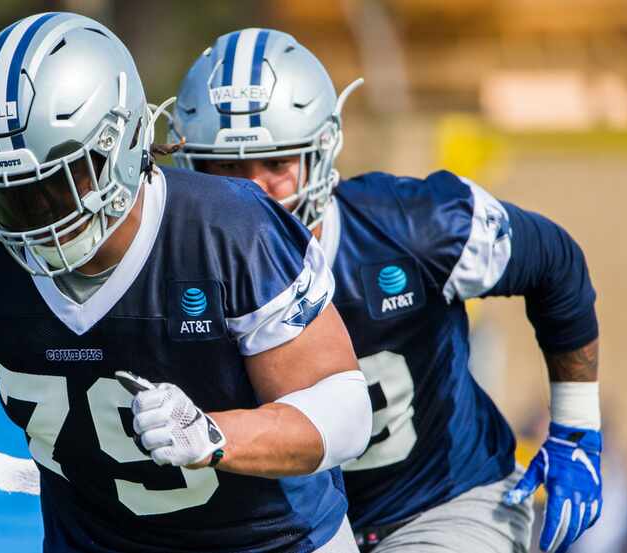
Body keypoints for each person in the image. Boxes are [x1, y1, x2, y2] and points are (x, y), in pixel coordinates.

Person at [0, 13, 374, 553]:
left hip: (273, 541)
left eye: (62, 177)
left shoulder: (228, 230)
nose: (36, 215)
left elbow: (344, 411)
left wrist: (216, 436)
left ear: (122, 144)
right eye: (11, 192)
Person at [171, 28, 602, 553]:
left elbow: (555, 261)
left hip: (443, 505)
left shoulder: (415, 226)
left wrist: (576, 431)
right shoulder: (173, 267)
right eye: (227, 167)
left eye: (277, 164)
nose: (252, 191)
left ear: (321, 151)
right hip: (287, 532)